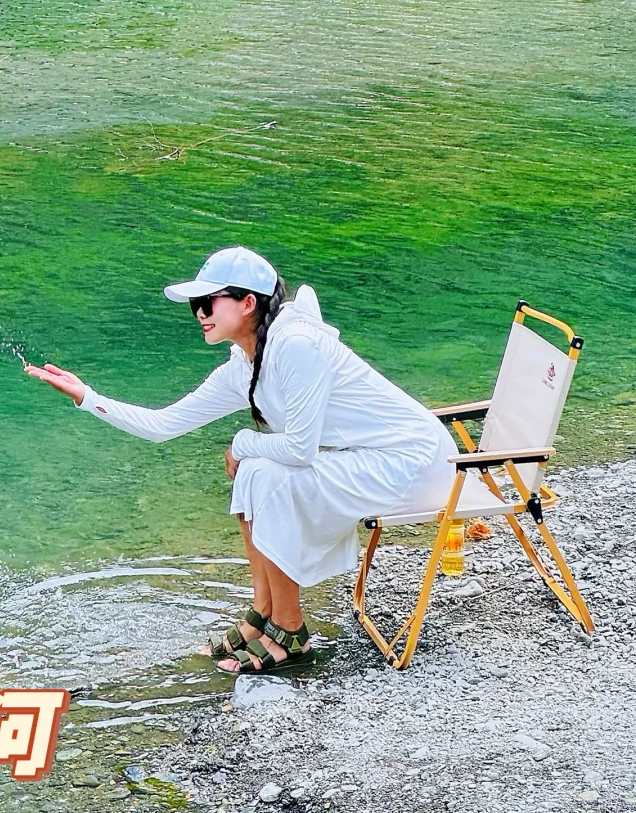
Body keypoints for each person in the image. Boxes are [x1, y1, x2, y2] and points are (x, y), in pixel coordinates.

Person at [26, 246, 459, 676]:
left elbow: (300, 450)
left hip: (416, 466)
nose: (199, 313)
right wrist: (87, 397)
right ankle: (264, 613)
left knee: (266, 475)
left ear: (248, 303)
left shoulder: (296, 346)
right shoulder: (246, 364)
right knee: (254, 472)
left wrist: (242, 441)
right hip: (374, 462)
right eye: (195, 305)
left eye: (208, 302)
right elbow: (163, 425)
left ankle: (290, 631)